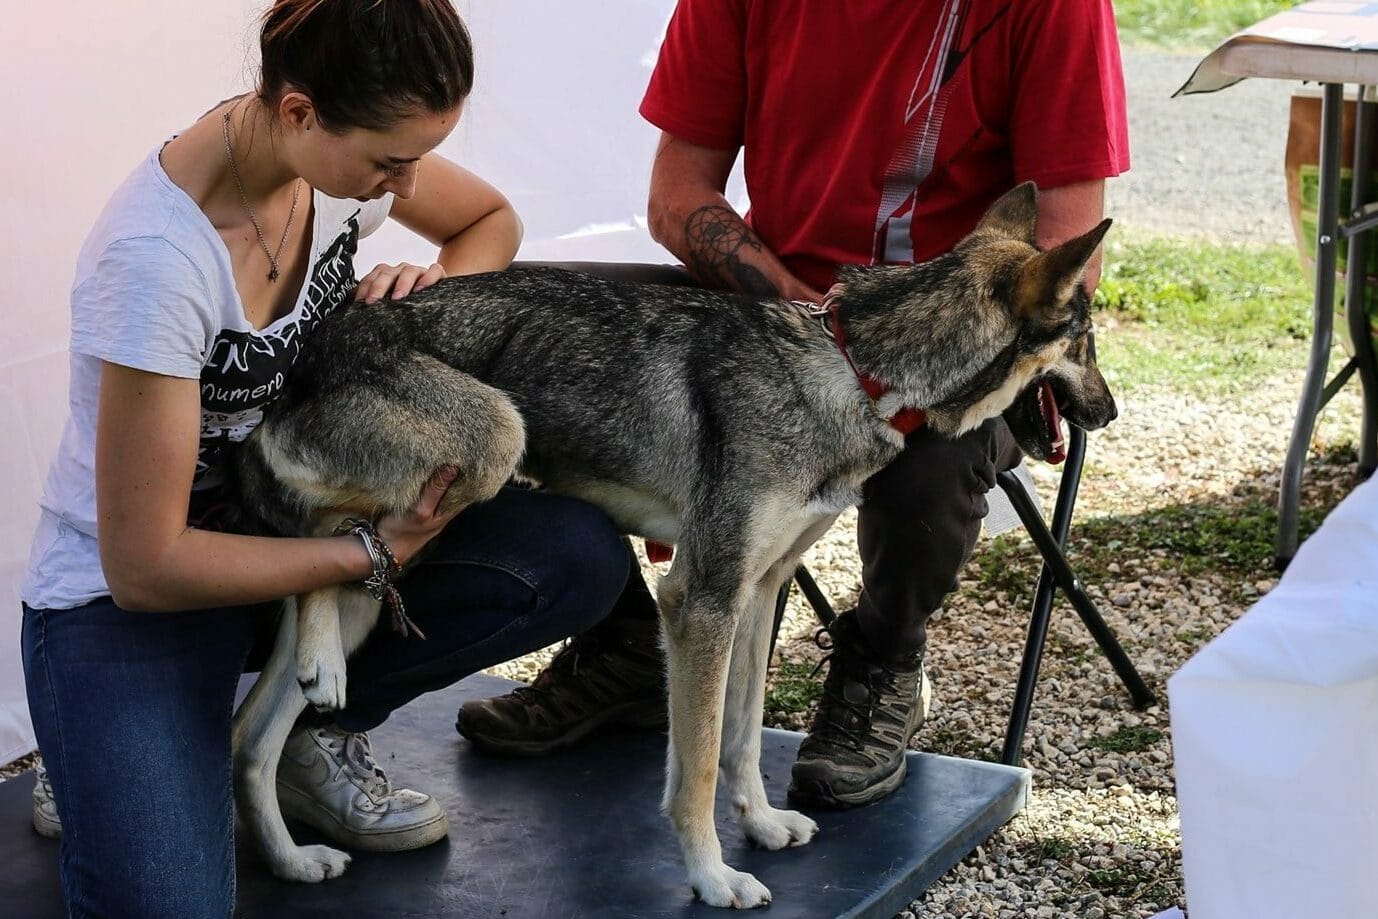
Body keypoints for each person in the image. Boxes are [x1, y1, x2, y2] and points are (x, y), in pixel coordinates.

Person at [20, 2, 630, 915]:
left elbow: (490, 221)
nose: (407, 182)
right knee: (171, 902)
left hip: (286, 519)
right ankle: (103, 752)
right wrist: (370, 557)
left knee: (574, 555)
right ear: (301, 113)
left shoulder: (332, 161)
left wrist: (431, 285)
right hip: (138, 594)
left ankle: (307, 727)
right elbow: (144, 566)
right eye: (392, 162)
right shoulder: (156, 258)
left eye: (419, 157)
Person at [457, 0, 1129, 808]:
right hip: (778, 322)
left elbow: (1064, 253)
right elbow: (677, 195)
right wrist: (809, 322)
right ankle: (632, 643)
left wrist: (889, 364)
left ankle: (880, 662)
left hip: (956, 352)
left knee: (931, 465)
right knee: (548, 336)